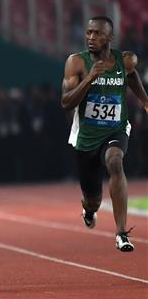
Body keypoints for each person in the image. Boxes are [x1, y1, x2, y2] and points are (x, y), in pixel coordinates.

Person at [61, 16, 148, 252]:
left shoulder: (126, 60)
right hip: (86, 137)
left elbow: (131, 76)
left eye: (97, 33)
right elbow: (66, 102)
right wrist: (89, 78)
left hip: (116, 129)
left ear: (110, 38)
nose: (90, 37)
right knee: (93, 199)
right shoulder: (76, 63)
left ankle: (121, 233)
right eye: (88, 32)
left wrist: (144, 100)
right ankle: (89, 210)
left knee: (115, 161)